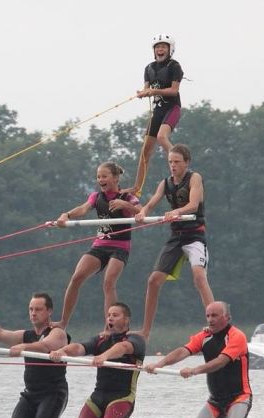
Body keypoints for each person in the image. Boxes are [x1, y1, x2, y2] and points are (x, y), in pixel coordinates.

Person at [145, 301, 252, 418]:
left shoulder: (237, 336)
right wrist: (158, 364)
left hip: (239, 397)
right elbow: (182, 351)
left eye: (215, 315)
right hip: (216, 400)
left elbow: (221, 361)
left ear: (227, 317)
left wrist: (194, 370)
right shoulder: (204, 336)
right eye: (208, 315)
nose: (210, 319)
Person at [49, 302, 146, 418]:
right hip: (98, 396)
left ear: (126, 320)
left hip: (122, 398)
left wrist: (105, 356)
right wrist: (63, 351)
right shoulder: (101, 340)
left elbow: (122, 348)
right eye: (109, 315)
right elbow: (80, 347)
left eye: (115, 315)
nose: (110, 318)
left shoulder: (136, 340)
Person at [134, 143, 214, 339]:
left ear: (187, 163)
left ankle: (215, 324)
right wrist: (142, 213)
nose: (173, 165)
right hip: (176, 238)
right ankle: (145, 331)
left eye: (177, 162)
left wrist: (176, 212)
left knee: (199, 277)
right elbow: (151, 204)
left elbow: (194, 205)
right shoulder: (165, 183)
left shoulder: (195, 178)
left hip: (195, 235)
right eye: (170, 162)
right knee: (153, 281)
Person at [54, 162, 141, 329]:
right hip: (100, 245)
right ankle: (63, 322)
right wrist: (67, 215)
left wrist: (126, 206)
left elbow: (142, 212)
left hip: (120, 247)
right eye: (98, 176)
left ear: (115, 178)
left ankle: (109, 328)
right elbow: (83, 209)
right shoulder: (96, 197)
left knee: (108, 282)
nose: (100, 179)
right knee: (77, 277)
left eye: (104, 176)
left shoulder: (128, 197)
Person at [127, 34, 184, 196]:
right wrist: (143, 93)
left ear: (170, 49)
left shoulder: (175, 66)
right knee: (145, 150)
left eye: (163, 47)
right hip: (158, 110)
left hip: (172, 107)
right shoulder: (149, 68)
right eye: (157, 47)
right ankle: (136, 189)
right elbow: (146, 89)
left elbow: (174, 91)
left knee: (161, 137)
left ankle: (181, 169)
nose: (160, 49)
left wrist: (154, 91)